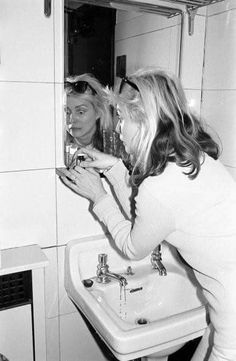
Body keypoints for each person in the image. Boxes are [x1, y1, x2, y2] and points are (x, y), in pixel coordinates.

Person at [58, 67, 236, 361]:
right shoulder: (193, 159)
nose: (117, 128)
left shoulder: (161, 184)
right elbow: (159, 206)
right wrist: (115, 167)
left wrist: (98, 196)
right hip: (224, 314)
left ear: (145, 122)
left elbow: (133, 247)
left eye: (124, 119)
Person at [64, 73, 113, 166]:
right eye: (67, 112)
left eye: (81, 112)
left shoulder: (114, 150)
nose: (71, 119)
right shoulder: (57, 152)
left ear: (98, 112)